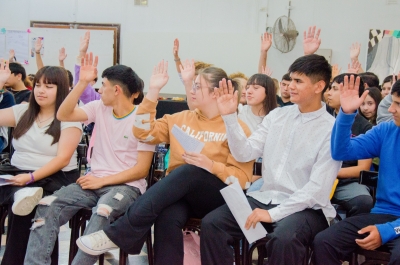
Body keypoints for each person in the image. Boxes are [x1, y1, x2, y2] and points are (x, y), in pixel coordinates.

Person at [76, 59, 254, 265]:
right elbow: (142, 133)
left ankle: (118, 232)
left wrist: (211, 166)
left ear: (216, 93)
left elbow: (241, 180)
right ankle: (124, 235)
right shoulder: (180, 118)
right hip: (182, 195)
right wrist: (153, 91)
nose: (191, 90)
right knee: (167, 215)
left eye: (198, 86)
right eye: (192, 85)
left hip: (219, 198)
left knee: (191, 171)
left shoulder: (236, 128)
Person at [200, 49, 342, 265]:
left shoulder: (332, 129)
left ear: (319, 86)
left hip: (307, 208)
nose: (290, 86)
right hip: (266, 197)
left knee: (285, 239)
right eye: (290, 79)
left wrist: (274, 214)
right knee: (212, 223)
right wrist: (229, 116)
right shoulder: (277, 116)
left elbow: (317, 190)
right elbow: (244, 153)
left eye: (298, 81)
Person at [24, 53, 155, 265]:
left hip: (126, 187)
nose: (99, 90)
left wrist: (102, 181)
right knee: (47, 205)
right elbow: (63, 115)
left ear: (116, 90)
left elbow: (141, 170)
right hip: (92, 183)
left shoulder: (143, 118)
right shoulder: (99, 108)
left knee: (103, 211)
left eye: (102, 85)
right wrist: (82, 81)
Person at [0, 59, 82, 265]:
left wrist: (30, 178)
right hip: (18, 171)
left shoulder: (69, 118)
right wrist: (0, 84)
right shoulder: (22, 112)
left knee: (25, 208)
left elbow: (63, 159)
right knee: (20, 197)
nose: (40, 90)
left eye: (49, 86)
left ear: (61, 90)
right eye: (37, 84)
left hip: (53, 176)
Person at [312, 77, 400, 265]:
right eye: (392, 102)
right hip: (383, 214)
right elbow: (341, 152)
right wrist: (346, 113)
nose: (391, 109)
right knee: (324, 241)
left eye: (398, 104)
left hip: (395, 224)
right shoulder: (386, 130)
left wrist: (389, 230)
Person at [326, 73, 373, 217]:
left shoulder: (364, 127)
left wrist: (332, 172)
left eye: (334, 89)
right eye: (329, 88)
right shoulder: (323, 116)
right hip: (315, 176)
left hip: (345, 181)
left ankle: (345, 234)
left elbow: (363, 168)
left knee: (363, 201)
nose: (329, 93)